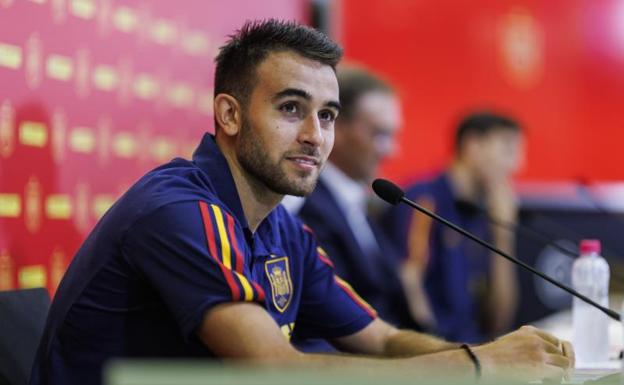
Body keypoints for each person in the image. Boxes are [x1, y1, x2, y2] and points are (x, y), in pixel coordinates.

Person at [30, 20, 571, 385]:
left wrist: (500, 355)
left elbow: (379, 340)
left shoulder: (280, 226)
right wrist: (478, 365)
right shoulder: (181, 210)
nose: (316, 135)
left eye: (329, 115)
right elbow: (275, 368)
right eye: (292, 108)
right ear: (230, 115)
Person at [286, 67, 420, 331]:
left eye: (393, 135)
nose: (391, 151)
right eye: (380, 134)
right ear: (336, 127)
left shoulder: (357, 203)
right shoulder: (304, 204)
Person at [380, 112, 524, 343]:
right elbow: (409, 284)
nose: (517, 164)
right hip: (435, 356)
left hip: (473, 348)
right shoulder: (424, 200)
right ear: (473, 145)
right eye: (508, 150)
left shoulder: (483, 213)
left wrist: (504, 237)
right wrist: (444, 356)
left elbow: (499, 322)